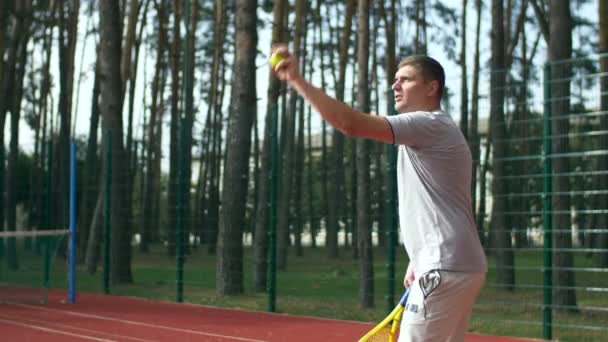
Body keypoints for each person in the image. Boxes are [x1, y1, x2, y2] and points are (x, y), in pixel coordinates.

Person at [272, 45, 487, 342]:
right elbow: (444, 201)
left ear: (431, 87)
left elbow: (351, 124)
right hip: (459, 265)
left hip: (444, 264)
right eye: (396, 79)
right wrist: (418, 258)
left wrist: (297, 80)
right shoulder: (436, 131)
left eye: (406, 79)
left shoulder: (428, 123)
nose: (395, 85)